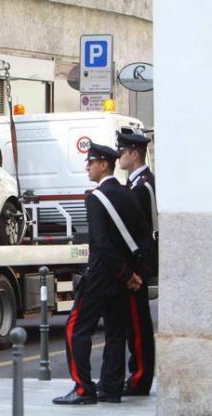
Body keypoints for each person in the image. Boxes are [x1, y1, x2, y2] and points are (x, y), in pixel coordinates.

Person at [53, 142, 145, 405]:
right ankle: (111, 389)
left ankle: (83, 389)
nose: (87, 167)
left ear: (103, 164)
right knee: (116, 333)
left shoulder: (95, 198)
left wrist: (124, 272)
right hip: (122, 281)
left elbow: (102, 244)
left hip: (101, 277)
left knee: (75, 329)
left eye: (90, 162)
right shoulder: (129, 195)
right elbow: (140, 237)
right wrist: (131, 274)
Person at [116, 131, 156, 396]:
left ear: (134, 153)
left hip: (139, 264)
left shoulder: (142, 186)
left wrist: (135, 270)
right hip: (137, 262)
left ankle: (141, 377)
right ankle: (137, 374)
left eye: (121, 151)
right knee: (134, 323)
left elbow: (138, 232)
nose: (118, 155)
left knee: (138, 325)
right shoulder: (135, 183)